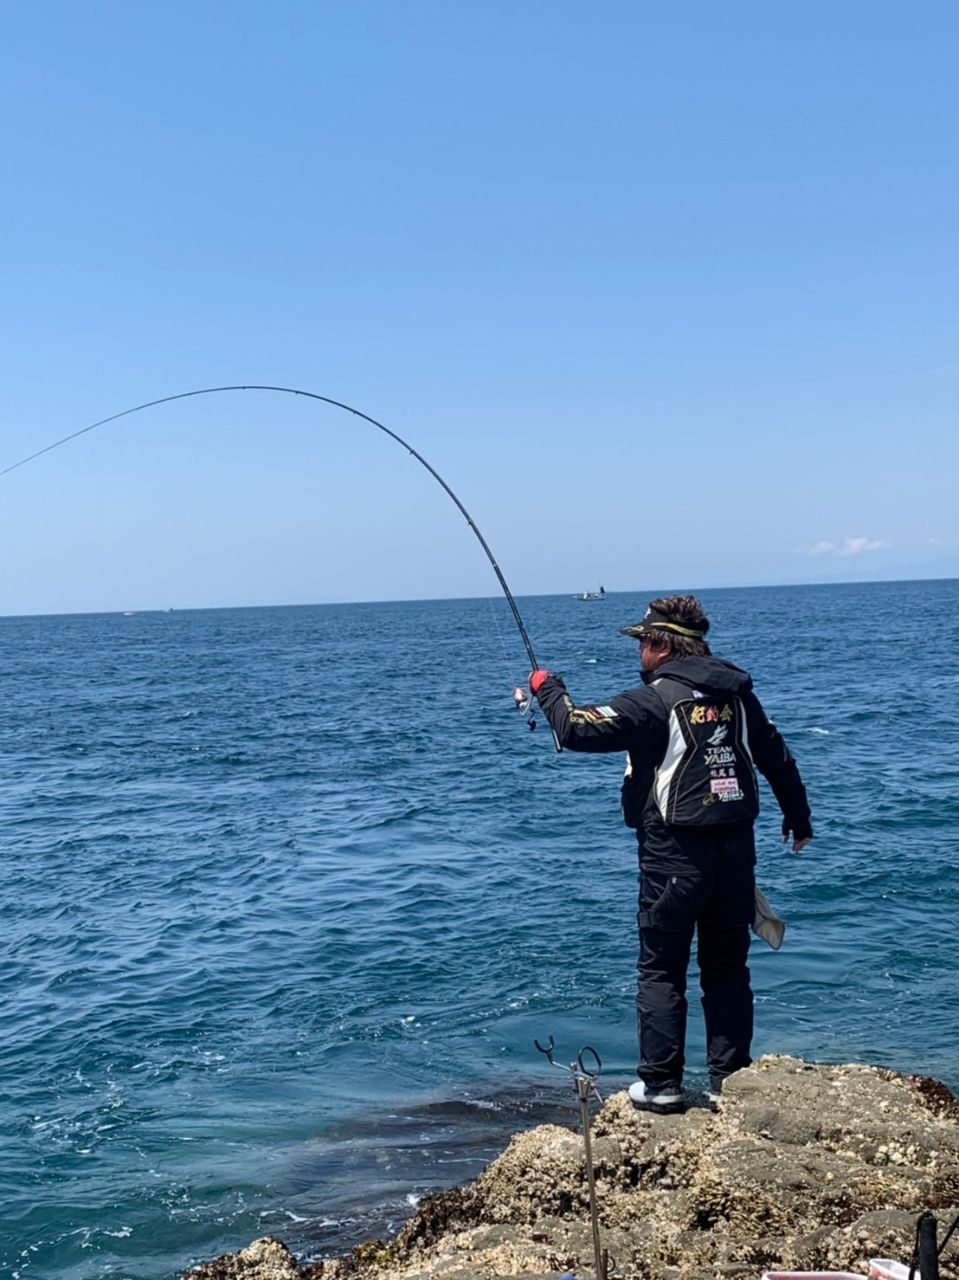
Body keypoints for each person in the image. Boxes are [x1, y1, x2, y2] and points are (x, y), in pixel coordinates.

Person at [528, 595, 812, 1111]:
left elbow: (574, 728)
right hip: (736, 858)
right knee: (727, 972)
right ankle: (732, 1082)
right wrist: (799, 817)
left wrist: (547, 688)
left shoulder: (653, 702)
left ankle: (660, 1087)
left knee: (661, 971)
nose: (639, 652)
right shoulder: (738, 695)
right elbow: (776, 753)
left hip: (672, 861)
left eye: (642, 642)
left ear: (661, 645)